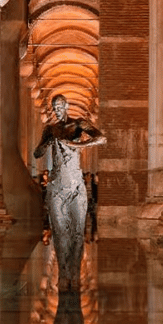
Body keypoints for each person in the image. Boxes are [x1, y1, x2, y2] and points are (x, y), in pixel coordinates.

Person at [34, 94, 106, 291]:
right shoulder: (50, 129)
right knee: (59, 233)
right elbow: (37, 153)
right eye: (54, 108)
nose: (57, 111)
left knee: (76, 232)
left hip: (76, 186)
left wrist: (78, 145)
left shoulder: (78, 124)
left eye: (59, 107)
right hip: (56, 186)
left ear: (66, 106)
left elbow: (101, 138)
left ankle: (74, 274)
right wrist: (46, 143)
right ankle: (63, 274)